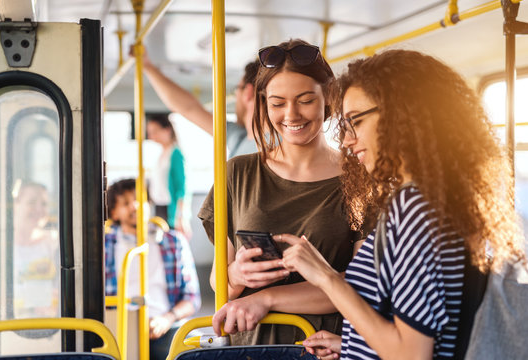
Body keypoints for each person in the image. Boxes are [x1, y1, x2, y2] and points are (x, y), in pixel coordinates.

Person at [271, 50, 526, 359]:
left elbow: (411, 354)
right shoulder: (446, 199)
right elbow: (433, 328)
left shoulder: (413, 207)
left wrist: (325, 277)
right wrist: (352, 344)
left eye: (356, 122)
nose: (348, 141)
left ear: (402, 114)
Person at [200, 39, 369, 345]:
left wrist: (266, 299)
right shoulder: (236, 173)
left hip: (325, 346)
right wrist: (237, 276)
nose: (291, 115)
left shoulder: (360, 176)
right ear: (264, 103)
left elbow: (359, 286)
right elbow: (218, 281)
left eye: (305, 100)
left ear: (328, 98)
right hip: (251, 346)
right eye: (277, 103)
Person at [105, 178, 201, 360]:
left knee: (193, 352)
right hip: (118, 327)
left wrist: (167, 319)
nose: (135, 206)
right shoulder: (103, 246)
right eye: (126, 203)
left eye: (140, 199)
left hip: (165, 326)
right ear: (114, 213)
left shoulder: (173, 242)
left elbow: (192, 298)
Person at [135, 47, 260, 158]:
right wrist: (147, 66)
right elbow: (188, 108)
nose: (236, 95)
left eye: (237, 89)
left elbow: (189, 108)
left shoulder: (273, 146)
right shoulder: (239, 137)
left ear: (247, 92)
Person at [13, 181, 60, 319]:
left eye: (44, 204)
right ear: (16, 205)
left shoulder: (54, 242)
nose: (39, 209)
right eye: (32, 202)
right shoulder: (3, 245)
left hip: (47, 321)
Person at [146, 114, 189, 236]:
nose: (151, 136)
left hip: (170, 209)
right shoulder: (161, 154)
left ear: (167, 130)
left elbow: (181, 187)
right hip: (158, 206)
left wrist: (181, 217)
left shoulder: (175, 154)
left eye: (155, 131)